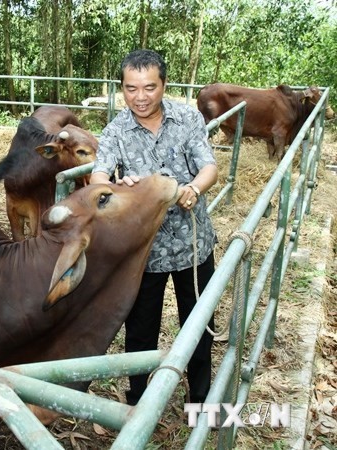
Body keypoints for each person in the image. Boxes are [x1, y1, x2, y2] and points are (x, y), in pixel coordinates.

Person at [90, 49, 218, 406]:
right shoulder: (115, 130)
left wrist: (194, 188)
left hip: (193, 243)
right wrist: (115, 187)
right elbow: (99, 173)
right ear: (121, 89)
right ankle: (138, 400)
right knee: (140, 328)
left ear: (164, 85)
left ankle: (200, 398)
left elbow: (209, 166)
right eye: (131, 89)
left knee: (198, 326)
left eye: (149, 87)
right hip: (144, 251)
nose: (140, 97)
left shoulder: (188, 119)